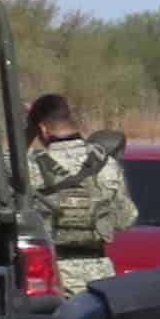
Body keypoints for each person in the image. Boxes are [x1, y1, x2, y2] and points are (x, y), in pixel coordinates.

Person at [23, 94, 136, 290]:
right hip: (99, 278)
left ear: (41, 129)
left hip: (51, 277)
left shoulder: (31, 166)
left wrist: (26, 134)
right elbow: (126, 220)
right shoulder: (106, 164)